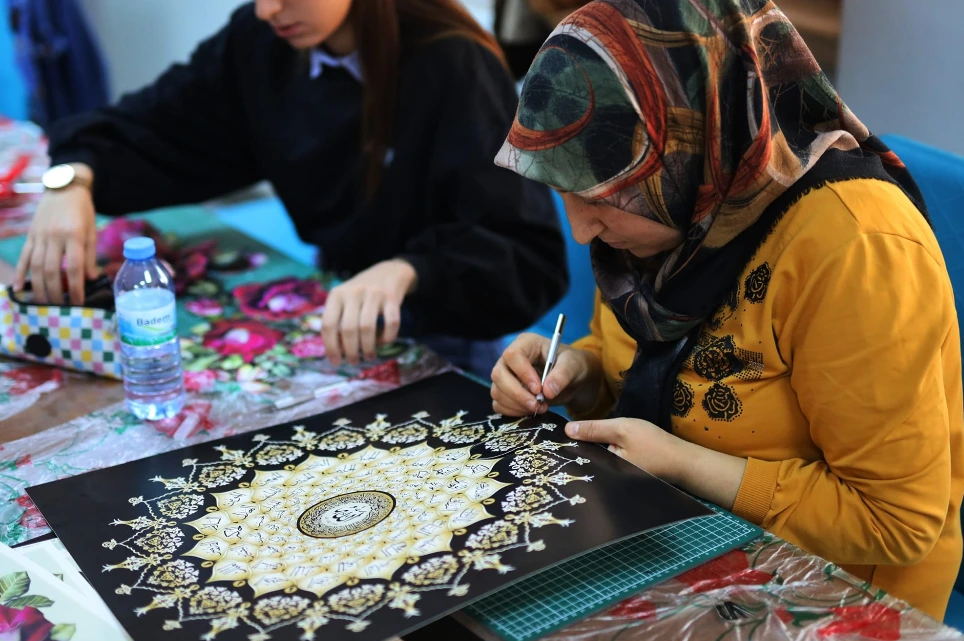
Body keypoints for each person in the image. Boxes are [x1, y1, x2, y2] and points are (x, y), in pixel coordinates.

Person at [490, 0, 964, 620]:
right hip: (674, 538)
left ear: (690, 146)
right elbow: (643, 366)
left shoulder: (854, 246)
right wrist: (574, 373)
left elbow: (895, 522)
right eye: (562, 195)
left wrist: (684, 464)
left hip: (834, 599)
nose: (582, 234)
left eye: (600, 198)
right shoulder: (674, 213)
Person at [13, 0, 568, 376]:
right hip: (333, 313)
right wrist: (71, 180)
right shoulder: (261, 42)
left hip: (446, 336)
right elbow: (152, 125)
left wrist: (408, 270)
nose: (267, 10)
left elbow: (525, 256)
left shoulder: (452, 63)